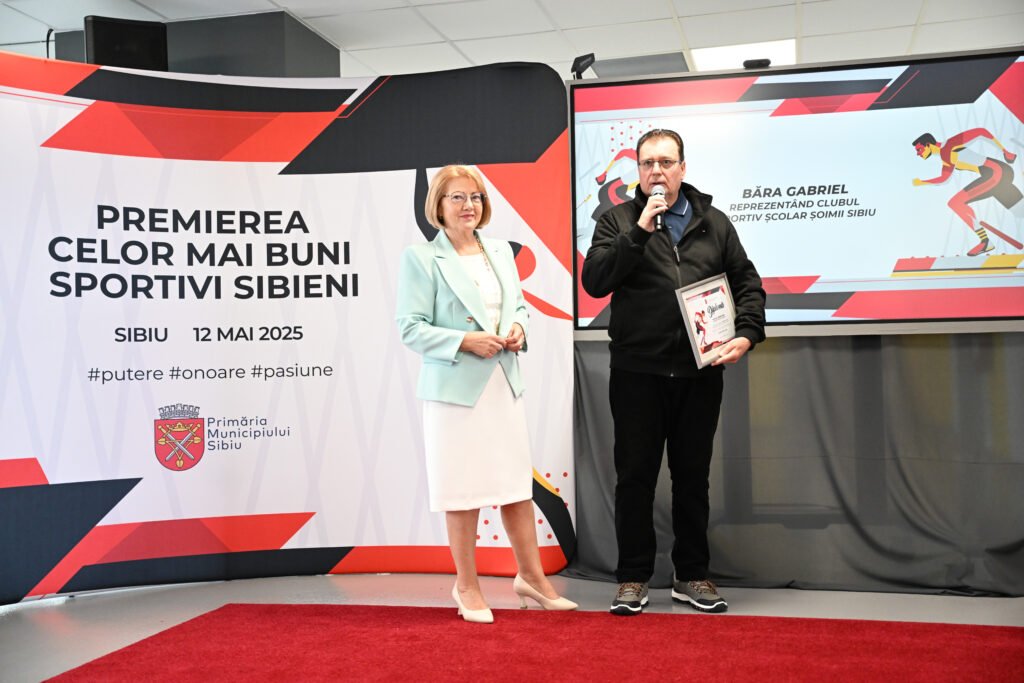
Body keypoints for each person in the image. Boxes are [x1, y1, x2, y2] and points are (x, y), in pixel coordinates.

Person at [581, 129, 766, 616]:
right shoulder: (617, 220)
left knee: (692, 479)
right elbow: (595, 280)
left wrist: (747, 333)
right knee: (634, 478)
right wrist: (640, 230)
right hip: (636, 373)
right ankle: (633, 578)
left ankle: (691, 575)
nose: (656, 171)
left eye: (665, 162)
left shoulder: (715, 223)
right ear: (638, 171)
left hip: (698, 373)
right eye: (647, 163)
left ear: (683, 168)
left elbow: (747, 283)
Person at [396, 164, 577, 624]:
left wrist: (518, 328)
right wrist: (464, 341)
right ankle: (467, 586)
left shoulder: (498, 251)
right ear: (438, 205)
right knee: (462, 491)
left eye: (475, 197)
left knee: (515, 487)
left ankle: (532, 578)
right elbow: (410, 328)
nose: (468, 206)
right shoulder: (421, 258)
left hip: (502, 384)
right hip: (455, 391)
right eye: (457, 197)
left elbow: (518, 308)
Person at [912, 129, 1021, 256]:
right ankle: (986, 241)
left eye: (919, 150)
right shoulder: (945, 156)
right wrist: (923, 182)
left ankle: (985, 242)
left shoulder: (950, 145)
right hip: (995, 176)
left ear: (928, 145)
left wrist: (1005, 151)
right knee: (1020, 211)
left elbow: (981, 132)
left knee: (956, 203)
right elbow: (944, 179)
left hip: (996, 173)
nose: (918, 154)